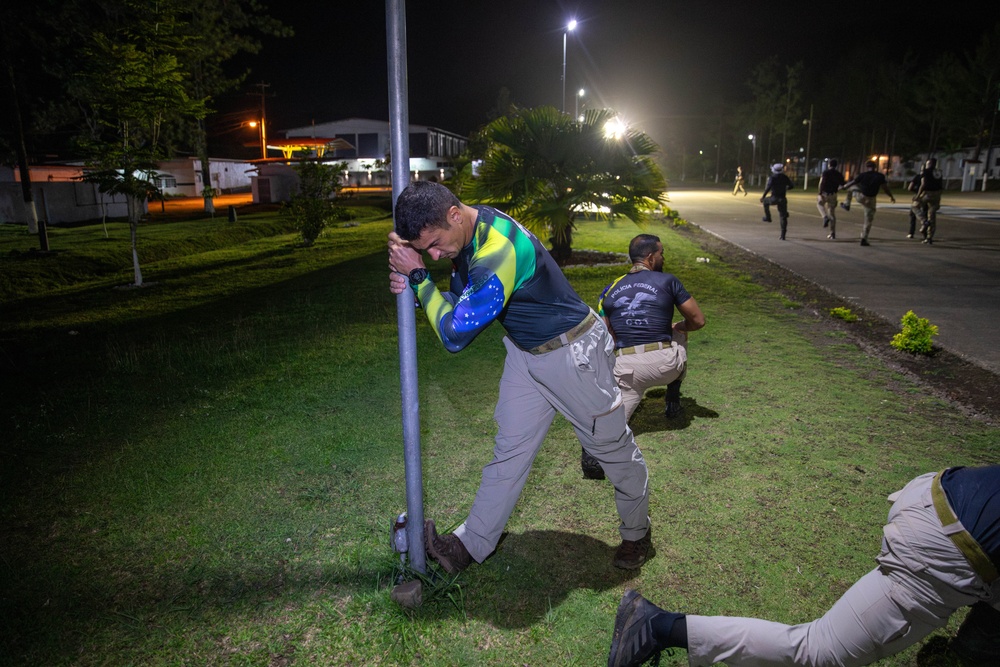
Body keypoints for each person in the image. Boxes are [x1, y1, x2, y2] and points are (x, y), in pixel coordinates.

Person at [387, 181, 653, 572]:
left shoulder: (500, 250)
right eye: (424, 249)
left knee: (611, 449)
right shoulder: (467, 228)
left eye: (434, 244)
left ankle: (637, 533)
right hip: (527, 354)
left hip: (572, 356)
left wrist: (420, 280)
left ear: (453, 215)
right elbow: (461, 301)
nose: (433, 254)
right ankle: (470, 545)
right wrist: (415, 280)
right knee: (509, 451)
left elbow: (455, 335)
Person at [607, 465, 1000, 667]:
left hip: (937, 490)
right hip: (947, 544)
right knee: (820, 651)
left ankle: (975, 646)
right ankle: (657, 626)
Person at [599, 234, 705, 421]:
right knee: (679, 331)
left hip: (626, 371)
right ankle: (673, 398)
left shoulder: (609, 289)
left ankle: (594, 445)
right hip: (664, 367)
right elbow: (698, 321)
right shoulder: (668, 281)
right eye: (661, 253)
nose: (663, 258)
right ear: (650, 258)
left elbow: (609, 336)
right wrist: (679, 326)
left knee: (611, 430)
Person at [839, 161, 896, 246]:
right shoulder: (880, 176)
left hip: (861, 196)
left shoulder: (863, 175)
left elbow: (852, 183)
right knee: (868, 220)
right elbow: (885, 188)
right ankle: (864, 238)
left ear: (867, 167)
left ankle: (847, 204)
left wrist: (843, 187)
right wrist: (891, 196)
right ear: (875, 167)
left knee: (851, 188)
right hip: (871, 200)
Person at [912, 157, 944, 244]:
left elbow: (923, 184)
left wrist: (918, 196)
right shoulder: (939, 172)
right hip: (937, 194)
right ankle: (929, 237)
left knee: (915, 206)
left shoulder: (925, 171)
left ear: (929, 164)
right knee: (932, 215)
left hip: (927, 193)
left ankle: (924, 221)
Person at [760, 163, 794, 240]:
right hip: (782, 198)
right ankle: (783, 235)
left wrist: (763, 196)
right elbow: (791, 186)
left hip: (774, 198)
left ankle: (768, 217)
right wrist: (785, 189)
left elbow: (768, 187)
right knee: (783, 217)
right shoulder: (785, 177)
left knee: (765, 202)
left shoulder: (772, 177)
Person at [815, 159, 845, 240]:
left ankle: (824, 216)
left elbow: (822, 183)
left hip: (825, 193)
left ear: (829, 165)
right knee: (832, 213)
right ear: (836, 165)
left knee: (819, 204)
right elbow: (843, 185)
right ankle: (832, 233)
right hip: (833, 195)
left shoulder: (826, 172)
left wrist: (820, 192)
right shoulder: (839, 174)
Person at [906, 170, 924, 239]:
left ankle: (911, 232)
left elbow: (910, 187)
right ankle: (927, 235)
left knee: (913, 213)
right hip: (929, 196)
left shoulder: (918, 177)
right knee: (927, 212)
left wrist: (916, 192)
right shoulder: (933, 176)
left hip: (918, 197)